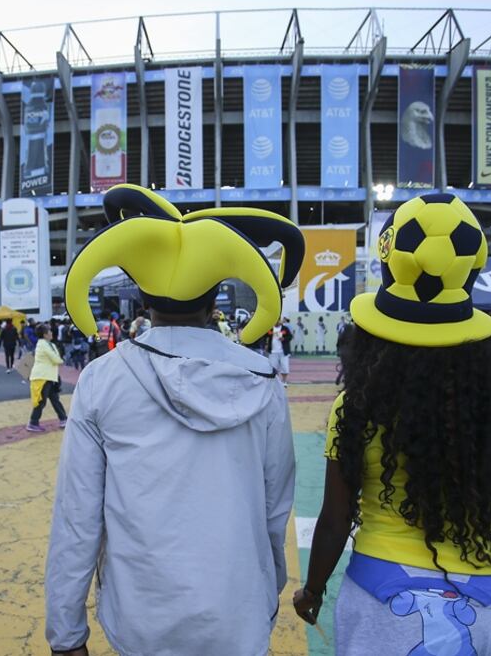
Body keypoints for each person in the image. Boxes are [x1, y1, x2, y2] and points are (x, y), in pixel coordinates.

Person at [46, 183, 305, 655]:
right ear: (215, 304)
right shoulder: (263, 380)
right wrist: (264, 589)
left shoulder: (102, 379)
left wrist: (65, 634)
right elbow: (275, 506)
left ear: (144, 303)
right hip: (237, 610)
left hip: (140, 616)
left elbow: (78, 517)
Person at [293, 193, 491, 655]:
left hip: (383, 606)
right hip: (488, 606)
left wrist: (312, 590)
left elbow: (336, 519)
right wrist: (463, 496)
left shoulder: (356, 405)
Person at [26, 323, 68, 432]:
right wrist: (61, 360)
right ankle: (33, 422)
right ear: (45, 334)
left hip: (49, 376)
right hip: (42, 377)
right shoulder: (43, 345)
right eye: (49, 331)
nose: (51, 332)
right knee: (41, 401)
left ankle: (63, 419)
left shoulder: (49, 344)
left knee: (55, 399)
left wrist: (59, 360)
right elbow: (55, 359)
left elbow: (56, 358)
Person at [268, 317, 293, 386]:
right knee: (273, 368)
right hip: (273, 352)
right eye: (275, 320)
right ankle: (275, 382)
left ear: (280, 321)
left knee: (284, 367)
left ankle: (284, 381)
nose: (276, 322)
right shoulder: (270, 329)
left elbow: (290, 337)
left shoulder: (285, 328)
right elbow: (266, 337)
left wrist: (284, 339)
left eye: (277, 320)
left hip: (283, 351)